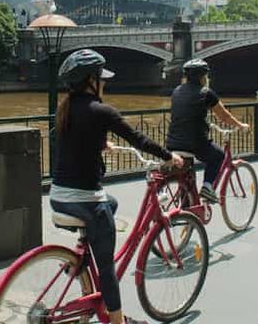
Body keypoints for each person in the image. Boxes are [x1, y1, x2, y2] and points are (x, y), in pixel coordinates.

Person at [49, 49, 183, 324]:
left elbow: (70, 140)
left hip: (58, 197)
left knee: (112, 204)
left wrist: (100, 143)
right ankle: (118, 320)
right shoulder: (101, 111)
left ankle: (81, 256)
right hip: (86, 200)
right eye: (101, 78)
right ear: (90, 81)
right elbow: (138, 139)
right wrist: (170, 156)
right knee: (108, 266)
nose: (105, 83)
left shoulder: (64, 110)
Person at [166, 59, 250, 203]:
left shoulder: (177, 91)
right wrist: (240, 125)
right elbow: (224, 116)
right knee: (218, 156)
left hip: (173, 142)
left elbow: (185, 112)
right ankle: (207, 186)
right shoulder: (206, 93)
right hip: (194, 143)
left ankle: (187, 209)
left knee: (187, 174)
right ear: (202, 77)